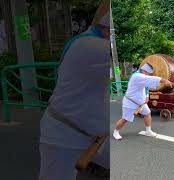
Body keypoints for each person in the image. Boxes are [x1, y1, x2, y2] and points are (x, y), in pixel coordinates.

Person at [39, 1, 110, 179]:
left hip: (92, 133)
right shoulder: (91, 47)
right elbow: (137, 66)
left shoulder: (87, 43)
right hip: (65, 136)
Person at [113, 63, 173, 140]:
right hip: (130, 102)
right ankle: (116, 132)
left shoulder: (142, 76)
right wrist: (164, 80)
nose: (148, 75)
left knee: (147, 113)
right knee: (125, 119)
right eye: (148, 73)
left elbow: (146, 86)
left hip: (141, 102)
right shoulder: (137, 76)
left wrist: (147, 96)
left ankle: (148, 131)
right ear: (144, 71)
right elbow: (151, 79)